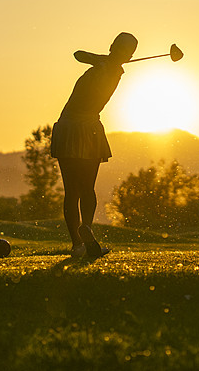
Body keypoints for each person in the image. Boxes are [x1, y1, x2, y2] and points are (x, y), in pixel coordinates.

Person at [50, 32, 138, 258]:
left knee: (73, 191)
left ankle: (78, 244)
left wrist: (101, 62)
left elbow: (80, 57)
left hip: (72, 126)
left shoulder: (111, 73)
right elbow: (78, 54)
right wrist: (99, 59)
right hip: (85, 129)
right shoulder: (106, 65)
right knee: (86, 188)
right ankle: (85, 231)